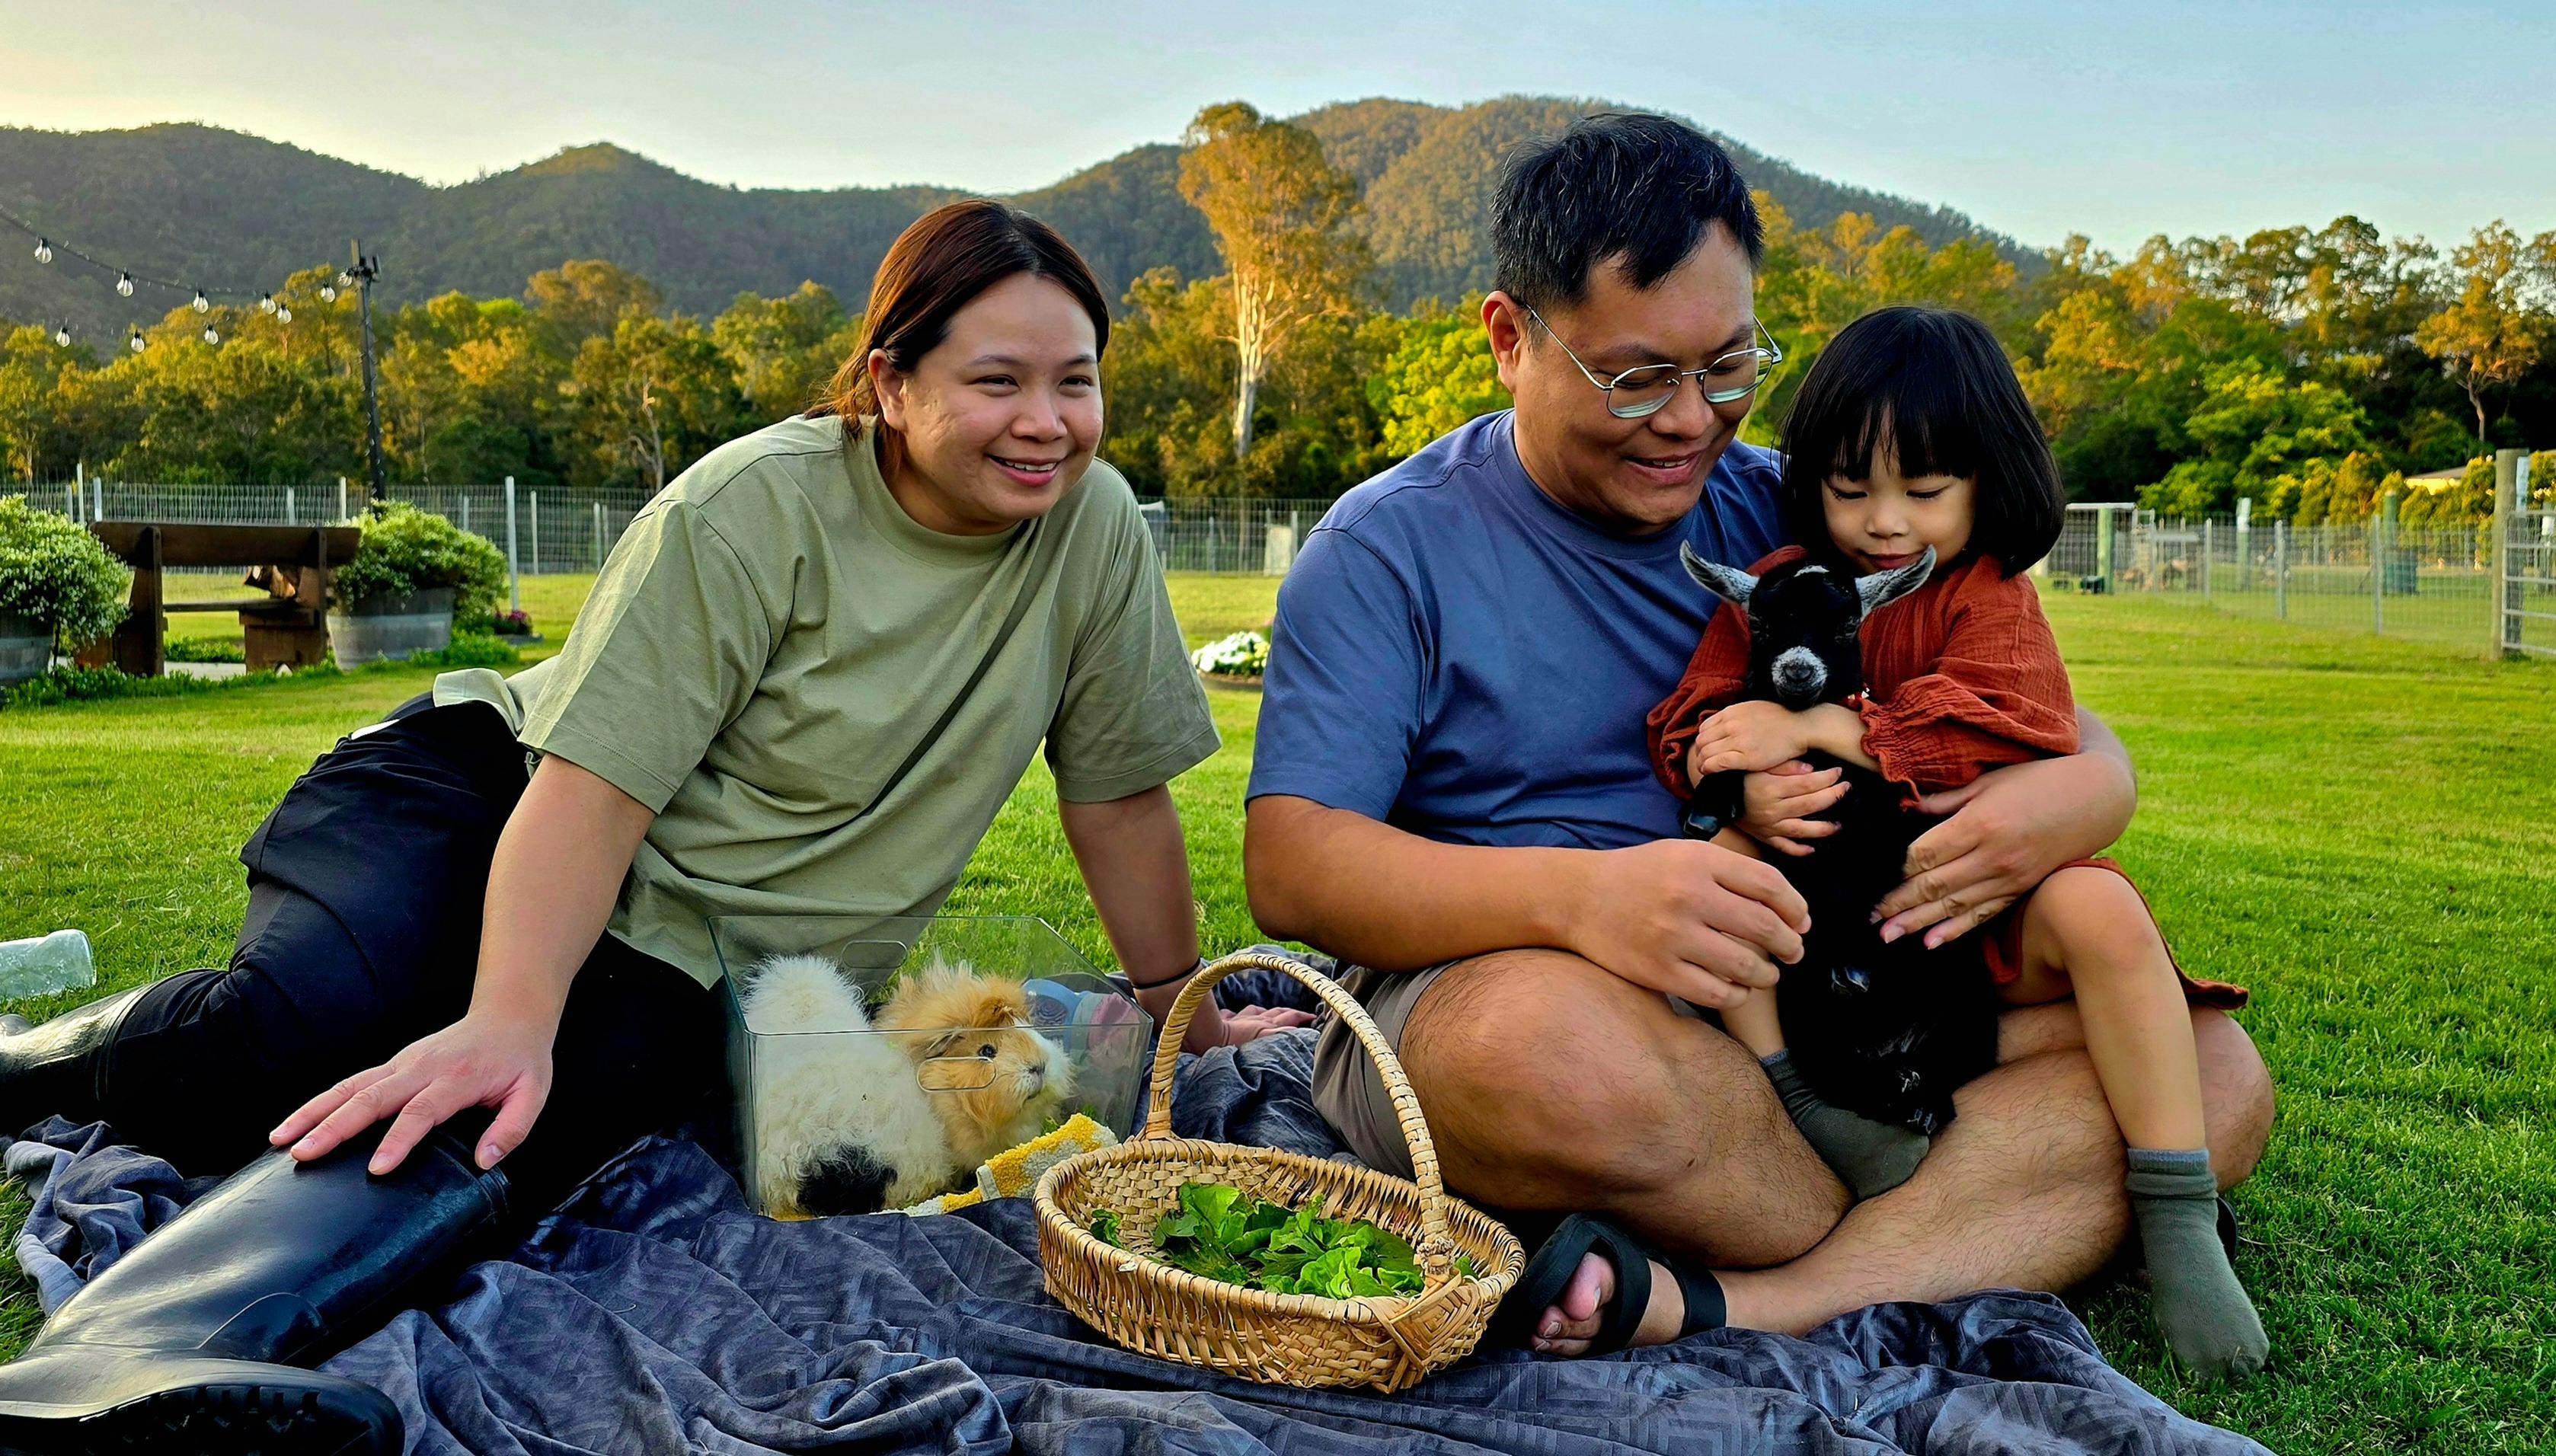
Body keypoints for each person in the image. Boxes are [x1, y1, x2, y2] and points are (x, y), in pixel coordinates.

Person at [0, 199, 1305, 1454]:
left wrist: (1177, 999)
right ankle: (28, 1072)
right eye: (998, 381)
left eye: (1074, 383)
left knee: (526, 1122)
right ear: (890, 381)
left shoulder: (1094, 534)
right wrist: (510, 1014)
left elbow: (1119, 793)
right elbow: (592, 793)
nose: (1046, 423)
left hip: (691, 946)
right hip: (485, 795)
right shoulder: (751, 509)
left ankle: (113, 1370)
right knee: (300, 1028)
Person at [1243, 113, 2274, 1359]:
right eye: (1637, 379)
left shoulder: (1795, 502)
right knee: (1541, 1057)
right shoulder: (1386, 550)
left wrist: (2091, 790)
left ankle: (1748, 1285)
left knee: (2215, 1073)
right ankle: (1951, 1205)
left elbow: (2018, 699)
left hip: (1823, 990)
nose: (1691, 422)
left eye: (1729, 369)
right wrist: (1586, 903)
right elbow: (1295, 866)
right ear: (1510, 339)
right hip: (1528, 986)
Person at [1647, 304, 2269, 1379]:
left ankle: (2174, 1204)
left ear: (1988, 481)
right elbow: (1694, 717)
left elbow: (2012, 721)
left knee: (2102, 905)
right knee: (1720, 871)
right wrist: (1734, 778)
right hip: (1833, 924)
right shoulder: (1786, 585)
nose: (1885, 522)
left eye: (1925, 491)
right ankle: (1797, 1092)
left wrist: (1829, 726)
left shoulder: (1991, 596)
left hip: (1969, 914)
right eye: (1851, 488)